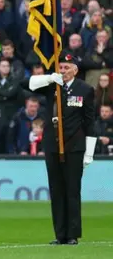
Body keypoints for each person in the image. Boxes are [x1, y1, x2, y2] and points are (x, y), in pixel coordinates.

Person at [28, 50, 96, 246]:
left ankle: (72, 234)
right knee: (56, 190)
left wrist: (89, 152)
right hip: (52, 145)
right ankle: (60, 234)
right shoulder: (52, 86)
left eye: (67, 67)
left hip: (74, 146)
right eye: (60, 67)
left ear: (75, 69)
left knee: (72, 190)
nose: (63, 70)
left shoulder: (85, 89)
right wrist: (50, 77)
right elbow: (27, 84)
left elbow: (90, 122)